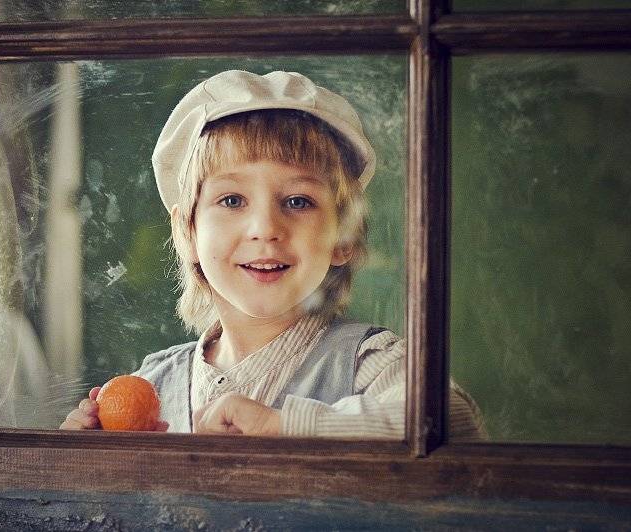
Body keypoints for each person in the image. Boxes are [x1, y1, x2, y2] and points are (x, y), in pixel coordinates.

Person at [61, 70, 486, 439]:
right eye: (231, 201)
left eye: (298, 201)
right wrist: (82, 457)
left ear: (344, 236)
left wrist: (283, 425)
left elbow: (454, 420)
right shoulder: (151, 384)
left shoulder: (369, 364)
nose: (265, 229)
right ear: (186, 231)